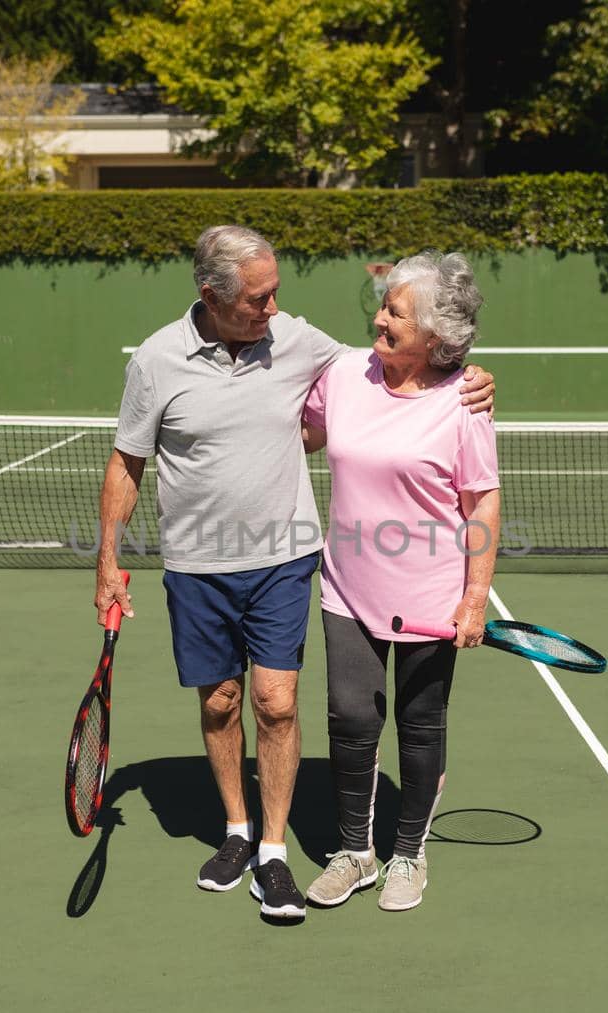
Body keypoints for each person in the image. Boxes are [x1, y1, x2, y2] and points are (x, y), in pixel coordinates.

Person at [94, 227, 494, 921]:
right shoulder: (171, 362)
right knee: (261, 707)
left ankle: (336, 851)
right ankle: (285, 839)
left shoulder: (322, 350)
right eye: (258, 296)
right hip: (257, 574)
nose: (274, 308)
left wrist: (468, 377)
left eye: (276, 291)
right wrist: (108, 558)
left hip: (334, 571)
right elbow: (141, 458)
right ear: (212, 295)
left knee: (328, 710)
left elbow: (424, 405)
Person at [299, 251, 500, 913]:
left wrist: (474, 598)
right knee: (351, 718)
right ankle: (355, 851)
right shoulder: (345, 377)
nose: (380, 319)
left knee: (420, 726)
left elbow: (480, 504)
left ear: (436, 338)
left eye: (395, 312)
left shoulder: (464, 402)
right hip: (348, 586)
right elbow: (303, 431)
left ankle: (408, 853)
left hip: (431, 595)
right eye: (383, 305)